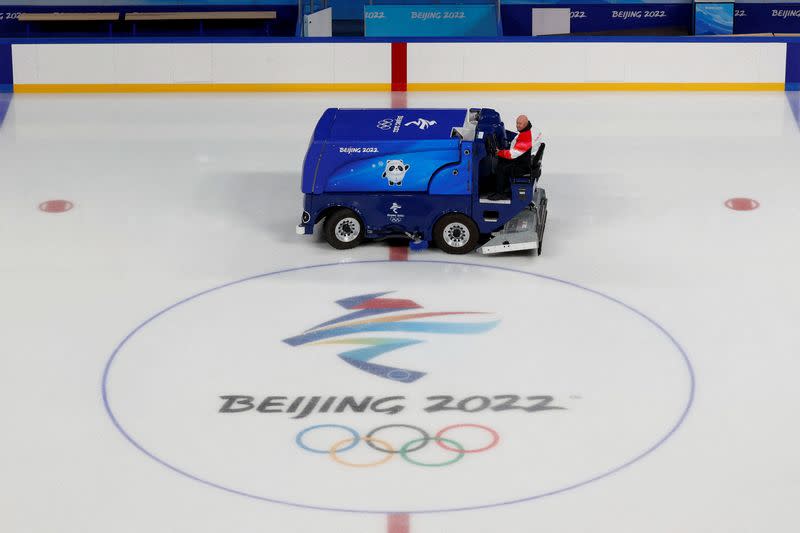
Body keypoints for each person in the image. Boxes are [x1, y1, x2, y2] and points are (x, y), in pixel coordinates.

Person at [489, 114, 543, 201]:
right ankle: (505, 187)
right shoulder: (530, 130)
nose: (517, 125)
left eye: (520, 124)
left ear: (525, 124)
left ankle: (500, 193)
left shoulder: (526, 136)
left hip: (522, 166)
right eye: (517, 123)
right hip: (524, 159)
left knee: (501, 168)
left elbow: (512, 154)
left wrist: (499, 152)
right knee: (502, 161)